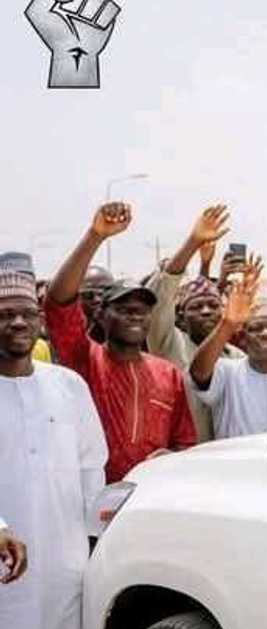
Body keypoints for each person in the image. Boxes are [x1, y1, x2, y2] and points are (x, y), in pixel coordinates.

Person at [0, 268, 108, 629]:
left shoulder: (68, 386)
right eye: (4, 315)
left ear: (41, 321)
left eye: (25, 313)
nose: (17, 323)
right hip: (6, 573)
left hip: (65, 569)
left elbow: (92, 470)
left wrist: (96, 543)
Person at [46, 204, 197, 483]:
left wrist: (172, 458)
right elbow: (57, 302)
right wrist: (95, 236)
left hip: (148, 501)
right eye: (123, 306)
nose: (135, 313)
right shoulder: (84, 359)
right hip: (91, 497)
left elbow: (185, 442)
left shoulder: (168, 374)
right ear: (101, 316)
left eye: (142, 308)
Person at [148, 205, 246, 442]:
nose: (206, 311)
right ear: (181, 315)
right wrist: (193, 243)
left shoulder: (238, 358)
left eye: (213, 305)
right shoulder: (169, 345)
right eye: (196, 306)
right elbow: (160, 299)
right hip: (182, 459)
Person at [190, 262, 267, 439]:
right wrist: (228, 324)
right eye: (256, 327)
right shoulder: (227, 372)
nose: (265, 333)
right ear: (244, 337)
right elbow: (198, 371)